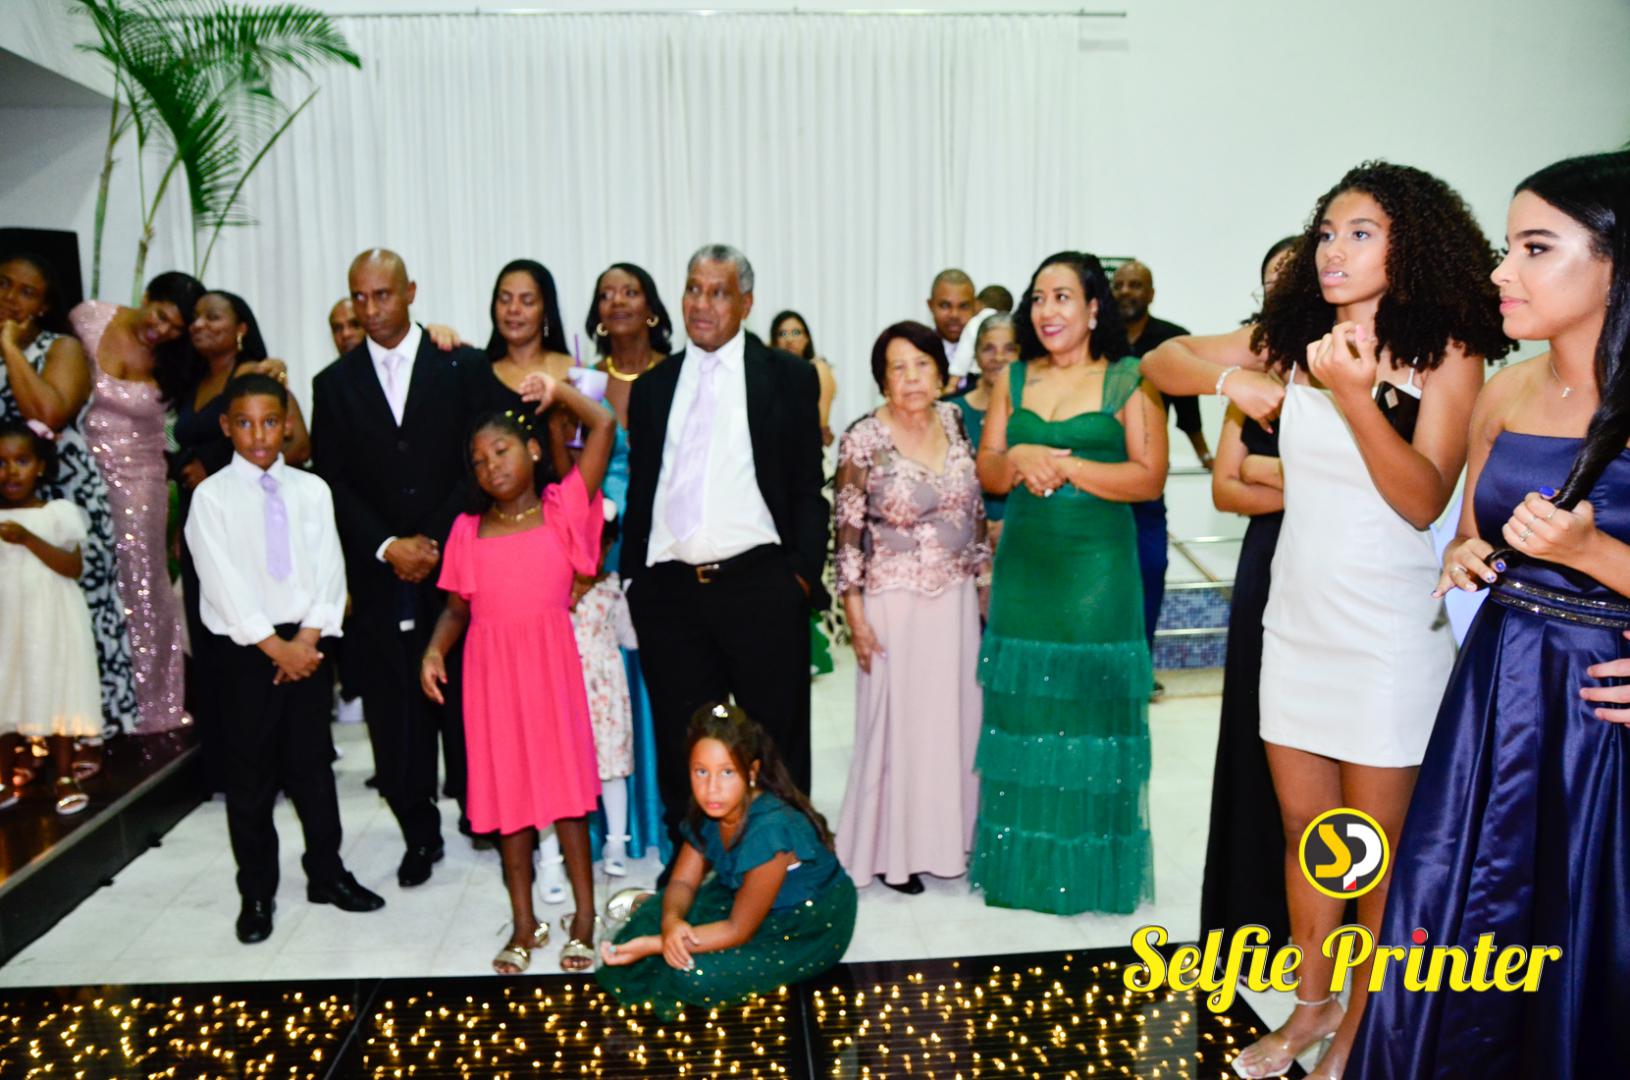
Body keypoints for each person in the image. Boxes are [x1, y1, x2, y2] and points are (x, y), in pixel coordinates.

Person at [1139, 162, 1511, 1080]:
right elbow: (1159, 360)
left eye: (1360, 233)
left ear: (1409, 246)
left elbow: (1423, 499)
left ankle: (1362, 1025)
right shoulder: (1295, 335)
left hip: (1389, 633)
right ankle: (1313, 1007)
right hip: (1296, 623)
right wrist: (1234, 380)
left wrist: (1351, 395)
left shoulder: (1449, 352)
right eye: (1328, 233)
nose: (1333, 250)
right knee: (1310, 832)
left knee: (1372, 850)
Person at [1350, 151, 1630, 1078]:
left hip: (1602, 710)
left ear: (1617, 264)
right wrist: (1468, 556)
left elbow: (1584, 551)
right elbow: (1473, 533)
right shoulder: (1507, 389)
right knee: (1470, 910)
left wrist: (1590, 553)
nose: (1502, 271)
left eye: (1535, 248)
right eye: (1508, 247)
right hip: (1501, 692)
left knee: (1587, 923)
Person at [970, 250, 1167, 915]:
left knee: (1088, 716)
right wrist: (1019, 456)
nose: (1046, 311)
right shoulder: (1013, 379)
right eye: (1038, 298)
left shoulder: (1130, 379)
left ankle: (1089, 876)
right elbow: (989, 471)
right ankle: (1025, 874)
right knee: (1025, 715)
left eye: (1061, 297)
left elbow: (1148, 479)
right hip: (1025, 569)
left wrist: (1068, 466)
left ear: (1092, 308)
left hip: (1097, 576)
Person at [621, 244, 828, 865]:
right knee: (685, 745)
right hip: (670, 594)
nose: (701, 304)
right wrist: (634, 580)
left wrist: (799, 577)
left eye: (718, 292)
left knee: (775, 740)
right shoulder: (654, 387)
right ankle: (695, 873)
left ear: (746, 302)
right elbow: (644, 489)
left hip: (760, 584)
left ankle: (783, 864)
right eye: (693, 288)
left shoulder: (786, 377)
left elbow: (806, 487)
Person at [185, 374, 386, 944]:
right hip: (247, 652)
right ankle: (256, 891)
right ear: (226, 427)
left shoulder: (311, 490)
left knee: (313, 767)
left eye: (269, 422)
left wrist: (308, 639)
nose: (258, 435)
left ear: (287, 425)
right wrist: (276, 648)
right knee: (250, 776)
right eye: (245, 424)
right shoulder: (212, 498)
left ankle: (327, 871)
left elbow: (329, 569)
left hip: (307, 644)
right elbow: (222, 584)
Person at [420, 390, 613, 973]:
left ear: (532, 449)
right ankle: (524, 923)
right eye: (479, 461)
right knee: (510, 802)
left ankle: (584, 917)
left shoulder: (561, 509)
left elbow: (604, 425)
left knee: (568, 800)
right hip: (491, 680)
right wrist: (434, 650)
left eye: (501, 451)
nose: (491, 467)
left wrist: (558, 394)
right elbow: (457, 608)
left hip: (550, 673)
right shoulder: (467, 530)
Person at [310, 248, 483, 887]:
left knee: (466, 697)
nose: (371, 308)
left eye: (382, 294)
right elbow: (333, 481)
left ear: (410, 291)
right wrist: (389, 545)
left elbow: (480, 460)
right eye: (360, 297)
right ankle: (417, 830)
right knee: (393, 708)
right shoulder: (333, 384)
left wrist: (432, 538)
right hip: (380, 571)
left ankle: (481, 810)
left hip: (455, 559)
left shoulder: (459, 364)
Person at [833, 320, 988, 894]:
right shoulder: (863, 438)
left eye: (922, 364)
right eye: (898, 367)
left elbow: (973, 513)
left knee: (951, 723)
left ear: (941, 373)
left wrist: (984, 583)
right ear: (882, 379)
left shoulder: (954, 421)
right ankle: (888, 855)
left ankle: (950, 842)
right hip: (892, 602)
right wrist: (854, 614)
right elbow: (846, 532)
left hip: (955, 599)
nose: (912, 377)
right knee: (895, 728)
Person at [597, 703, 857, 1018]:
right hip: (745, 900)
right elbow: (682, 881)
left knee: (691, 974)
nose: (712, 788)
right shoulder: (710, 808)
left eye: (727, 772)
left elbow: (737, 929)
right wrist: (671, 923)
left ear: (752, 773)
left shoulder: (770, 831)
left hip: (805, 925)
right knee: (652, 918)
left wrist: (658, 943)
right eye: (701, 772)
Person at [1196, 237, 1298, 949]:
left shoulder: (1365, 362)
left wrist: (1268, 474)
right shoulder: (1254, 372)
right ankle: (1249, 909)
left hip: (1341, 565)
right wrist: (1294, 484)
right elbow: (1225, 489)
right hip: (1267, 558)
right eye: (1271, 281)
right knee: (1252, 727)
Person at [0, 251, 138, 753]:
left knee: (74, 620)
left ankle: (83, 738)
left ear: (44, 306)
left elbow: (48, 412)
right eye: (4, 284)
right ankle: (20, 740)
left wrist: (9, 348)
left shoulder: (63, 349)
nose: (10, 298)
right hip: (4, 496)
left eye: (26, 292)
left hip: (64, 496)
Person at [72, 272, 204, 735]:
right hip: (81, 474)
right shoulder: (87, 318)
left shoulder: (177, 358)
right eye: (161, 315)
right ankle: (99, 703)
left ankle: (155, 703)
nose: (163, 331)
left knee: (143, 585)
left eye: (175, 328)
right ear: (146, 296)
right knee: (89, 582)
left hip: (142, 479)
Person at [582, 261, 675, 870]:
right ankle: (613, 825)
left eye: (630, 291)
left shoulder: (678, 374)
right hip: (600, 549)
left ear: (652, 307)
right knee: (606, 684)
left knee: (661, 676)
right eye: (606, 294)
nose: (617, 301)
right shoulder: (584, 382)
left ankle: (662, 815)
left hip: (665, 542)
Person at [1112, 259, 1208, 691]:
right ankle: (1110, 670)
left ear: (1151, 294)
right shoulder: (1098, 339)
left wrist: (1205, 453)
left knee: (1151, 567)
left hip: (1148, 477)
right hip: (1100, 477)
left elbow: (1188, 409)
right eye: (1120, 285)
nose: (1126, 292)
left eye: (1136, 285)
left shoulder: (1171, 340)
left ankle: (1141, 668)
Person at [0, 418, 103, 815]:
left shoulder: (57, 514)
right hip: (8, 627)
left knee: (58, 693)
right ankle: (5, 779)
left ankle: (63, 775)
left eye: (22, 461)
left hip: (51, 623)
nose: (11, 471)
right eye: (1, 462)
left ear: (40, 466)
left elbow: (72, 567)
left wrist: (27, 538)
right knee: (7, 695)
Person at [556, 506, 637, 883]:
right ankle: (552, 857)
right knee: (558, 771)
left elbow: (629, 638)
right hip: (562, 691)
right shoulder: (553, 590)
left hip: (605, 694)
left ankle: (616, 842)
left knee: (611, 769)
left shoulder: (613, 589)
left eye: (599, 546)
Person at [950, 312, 1020, 536]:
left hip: (1024, 531)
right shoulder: (951, 412)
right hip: (961, 534)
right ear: (976, 355)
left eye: (1009, 349)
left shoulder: (1035, 413)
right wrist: (981, 527)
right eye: (988, 349)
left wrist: (1010, 527)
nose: (998, 357)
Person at [768, 310, 838, 447]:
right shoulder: (767, 374)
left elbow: (820, 425)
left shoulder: (818, 369)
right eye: (782, 334)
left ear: (806, 338)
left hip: (807, 450)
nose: (789, 339)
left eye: (796, 333)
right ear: (775, 341)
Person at [928, 268, 978, 393]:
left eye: (964, 306)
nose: (954, 315)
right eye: (945, 305)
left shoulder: (991, 352)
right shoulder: (918, 350)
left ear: (975, 306)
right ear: (930, 305)